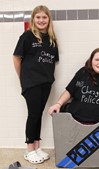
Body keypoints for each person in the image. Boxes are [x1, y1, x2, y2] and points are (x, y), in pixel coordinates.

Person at [13, 5, 59, 164]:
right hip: (31, 83)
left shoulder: (52, 39)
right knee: (33, 115)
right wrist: (23, 78)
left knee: (38, 114)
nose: (41, 20)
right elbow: (16, 58)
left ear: (49, 19)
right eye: (38, 17)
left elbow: (53, 61)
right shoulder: (27, 36)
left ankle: (37, 147)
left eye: (44, 17)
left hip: (46, 82)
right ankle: (29, 150)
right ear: (33, 19)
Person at [48, 47, 99, 124]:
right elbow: (69, 91)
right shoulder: (83, 72)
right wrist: (58, 104)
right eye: (97, 60)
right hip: (75, 121)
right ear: (91, 61)